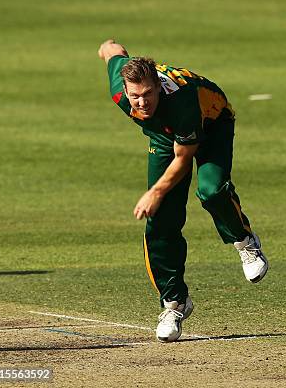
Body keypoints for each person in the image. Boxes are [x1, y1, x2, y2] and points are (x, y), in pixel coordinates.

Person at [97, 39, 268, 342]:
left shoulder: (181, 100)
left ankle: (244, 240)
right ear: (125, 90)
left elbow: (183, 158)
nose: (142, 102)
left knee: (211, 190)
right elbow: (113, 53)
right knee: (160, 222)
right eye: (135, 96)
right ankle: (175, 304)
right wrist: (108, 46)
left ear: (159, 88)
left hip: (212, 123)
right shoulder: (120, 87)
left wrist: (154, 192)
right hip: (165, 137)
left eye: (148, 94)